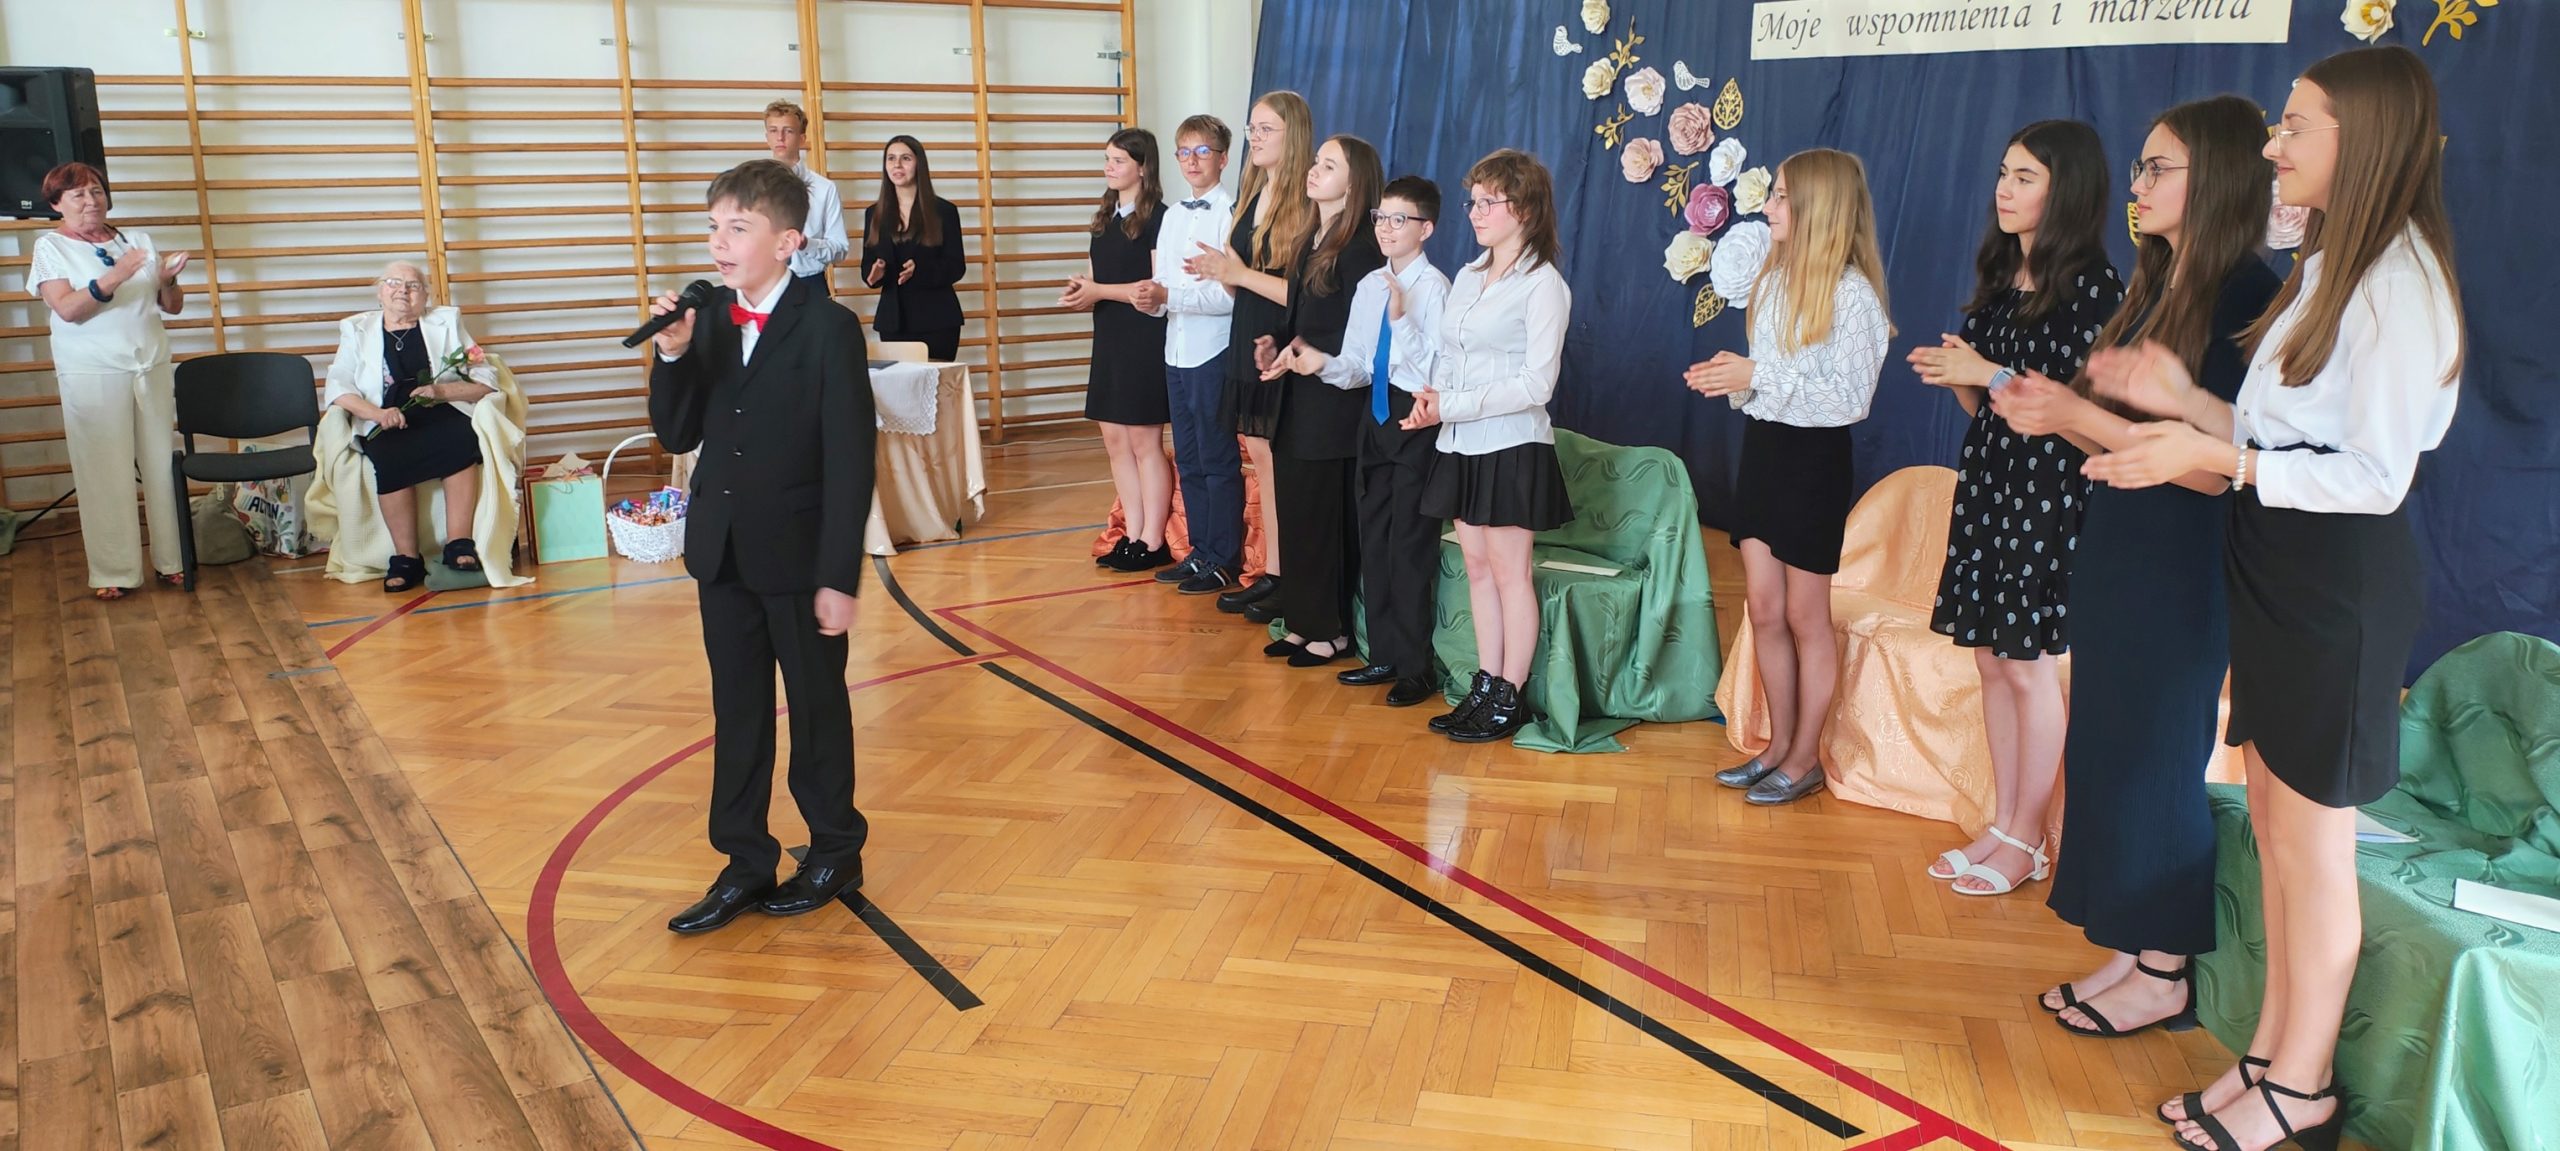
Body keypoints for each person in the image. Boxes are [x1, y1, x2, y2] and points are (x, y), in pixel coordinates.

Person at [2078, 47, 2461, 1151]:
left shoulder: (2399, 282)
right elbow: (2280, 429)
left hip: (2336, 584)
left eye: (2296, 125)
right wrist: (2185, 403)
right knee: (2281, 839)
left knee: (2312, 850)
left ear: (2363, 139)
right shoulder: (2334, 263)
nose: (2273, 145)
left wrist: (2212, 454)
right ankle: (2270, 1056)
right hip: (2282, 567)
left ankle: (2303, 1084)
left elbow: (2373, 476)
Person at [1992, 96, 2282, 1039]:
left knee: (2157, 761)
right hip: (2120, 544)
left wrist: (2073, 415)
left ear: (2220, 177)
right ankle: (2128, 946)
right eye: (2141, 167)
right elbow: (2126, 436)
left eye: (2160, 168)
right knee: (2112, 752)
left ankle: (2164, 972)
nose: (2140, 185)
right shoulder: (2159, 284)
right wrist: (2060, 412)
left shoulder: (2247, 294)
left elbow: (2209, 468)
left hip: (2181, 563)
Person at [646, 159, 877, 936]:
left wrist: (839, 574)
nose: (719, 242)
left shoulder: (829, 329)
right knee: (738, 711)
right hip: (723, 552)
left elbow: (851, 460)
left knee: (816, 709)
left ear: (787, 242)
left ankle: (836, 848)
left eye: (737, 228)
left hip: (802, 556)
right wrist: (673, 353)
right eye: (713, 226)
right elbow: (678, 431)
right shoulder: (708, 318)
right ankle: (745, 859)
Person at [1906, 121, 2122, 896]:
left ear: (2067, 190)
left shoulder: (2094, 288)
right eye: (2004, 172)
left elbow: (2074, 413)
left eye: (2025, 176)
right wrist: (1959, 376)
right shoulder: (2003, 278)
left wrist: (1988, 372)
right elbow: (1988, 407)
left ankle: (2029, 837)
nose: (2005, 188)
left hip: (2049, 495)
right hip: (1991, 484)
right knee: (1991, 660)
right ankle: (2002, 822)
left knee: (2028, 668)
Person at [1688, 149, 1892, 803]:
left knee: (1807, 614)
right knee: (1765, 606)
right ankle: (1777, 744)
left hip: (1813, 463)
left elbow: (1847, 401)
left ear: (1818, 208)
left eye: (1780, 196)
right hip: (1765, 451)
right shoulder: (1774, 282)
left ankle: (1805, 757)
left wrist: (1757, 375)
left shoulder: (1854, 297)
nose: (1769, 207)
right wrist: (1735, 379)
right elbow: (1767, 387)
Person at [1407, 149, 1574, 742]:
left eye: (1489, 202)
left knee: (1510, 573)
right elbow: (1452, 357)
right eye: (1472, 201)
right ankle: (1484, 684)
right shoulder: (1470, 275)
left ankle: (1510, 695)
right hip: (1460, 442)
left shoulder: (1543, 284)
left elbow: (1536, 384)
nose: (1475, 212)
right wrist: (1434, 400)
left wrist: (1452, 405)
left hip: (1512, 444)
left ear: (1523, 209)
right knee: (1476, 568)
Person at [1274, 176, 1449, 706]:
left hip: (1414, 416)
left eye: (1399, 220)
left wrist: (1401, 320)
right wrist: (1319, 364)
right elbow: (1356, 363)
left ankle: (1416, 668)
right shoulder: (1371, 283)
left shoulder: (1435, 287)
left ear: (1426, 229)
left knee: (1408, 546)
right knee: (1374, 537)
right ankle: (1385, 655)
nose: (1386, 229)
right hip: (1372, 415)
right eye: (1380, 218)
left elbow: (1434, 368)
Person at [26, 161, 190, 599]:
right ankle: (114, 571)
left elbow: (171, 306)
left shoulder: (136, 241)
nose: (90, 201)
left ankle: (173, 561)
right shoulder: (50, 247)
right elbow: (68, 309)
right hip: (92, 371)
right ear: (57, 203)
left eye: (96, 191)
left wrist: (169, 280)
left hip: (149, 365)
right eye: (78, 194)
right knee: (104, 471)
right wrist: (118, 273)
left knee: (160, 465)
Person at [1254, 135, 1387, 667]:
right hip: (1297, 398)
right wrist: (1276, 344)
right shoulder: (1310, 237)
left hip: (1332, 406)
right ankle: (1301, 622)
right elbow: (1303, 315)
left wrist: (1313, 354)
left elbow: (1357, 334)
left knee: (1323, 519)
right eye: (1316, 162)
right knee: (1297, 512)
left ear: (1354, 186)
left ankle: (1330, 631)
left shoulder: (1361, 250)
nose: (1313, 171)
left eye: (1328, 166)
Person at [1187, 91, 1316, 622]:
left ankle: (1293, 577)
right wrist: (1223, 274)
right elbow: (1242, 280)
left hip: (1284, 340)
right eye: (1252, 129)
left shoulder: (1306, 201)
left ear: (1293, 135)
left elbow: (1303, 294)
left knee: (1280, 464)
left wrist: (1238, 274)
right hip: (1248, 335)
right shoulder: (1254, 192)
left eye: (1266, 129)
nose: (1255, 139)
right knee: (1261, 459)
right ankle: (1274, 571)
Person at [321, 260, 499, 592]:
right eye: (393, 283)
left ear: (425, 296)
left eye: (413, 285)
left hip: (438, 407)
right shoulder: (357, 329)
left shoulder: (446, 321)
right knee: (389, 452)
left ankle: (459, 543)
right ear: (380, 292)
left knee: (460, 437)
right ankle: (407, 557)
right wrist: (377, 414)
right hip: (387, 413)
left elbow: (486, 377)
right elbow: (338, 386)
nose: (403, 290)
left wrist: (442, 391)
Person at [1138, 114, 1243, 595]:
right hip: (1175, 351)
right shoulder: (1172, 216)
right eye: (1184, 152)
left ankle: (1224, 557)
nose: (1192, 161)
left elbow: (1229, 295)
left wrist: (1170, 297)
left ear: (1223, 158)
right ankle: (1200, 551)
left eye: (1203, 151)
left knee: (1218, 458)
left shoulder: (1231, 213)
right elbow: (1165, 283)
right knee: (1189, 457)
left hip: (1212, 350)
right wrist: (1153, 299)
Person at [1064, 128, 1173, 572]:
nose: (1109, 168)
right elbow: (1099, 281)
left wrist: (1099, 291)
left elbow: (1152, 288)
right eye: (1107, 159)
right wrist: (1082, 291)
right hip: (1109, 335)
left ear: (1143, 168)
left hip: (1143, 338)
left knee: (1145, 442)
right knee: (1114, 441)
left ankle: (1153, 538)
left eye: (1118, 160)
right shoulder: (1104, 220)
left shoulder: (1159, 219)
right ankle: (1131, 532)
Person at [860, 135, 967, 362]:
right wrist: (874, 273)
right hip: (893, 321)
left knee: (937, 383)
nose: (897, 165)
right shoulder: (873, 214)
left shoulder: (944, 211)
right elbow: (868, 264)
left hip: (937, 321)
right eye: (891, 158)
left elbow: (956, 266)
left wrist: (921, 270)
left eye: (905, 158)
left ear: (919, 164)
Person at [763, 100, 849, 289]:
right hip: (766, 281)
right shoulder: (755, 188)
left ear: (802, 138)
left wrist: (807, 244)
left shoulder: (825, 188)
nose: (780, 137)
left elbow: (840, 249)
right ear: (767, 137)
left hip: (810, 283)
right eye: (774, 131)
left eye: (788, 131)